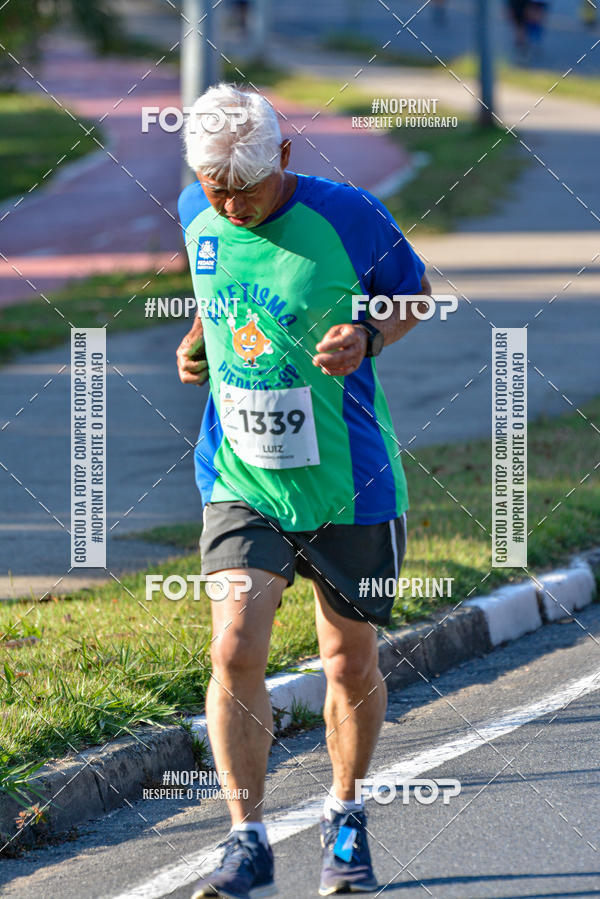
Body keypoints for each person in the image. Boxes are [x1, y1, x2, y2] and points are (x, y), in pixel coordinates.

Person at [176, 83, 431, 898]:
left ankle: (345, 815)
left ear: (284, 157)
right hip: (240, 474)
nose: (231, 203)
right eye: (217, 188)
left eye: (245, 187)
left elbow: (415, 295)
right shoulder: (196, 207)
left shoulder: (349, 215)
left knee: (346, 660)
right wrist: (195, 343)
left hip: (348, 480)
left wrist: (369, 333)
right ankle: (245, 837)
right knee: (233, 647)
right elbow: (217, 300)